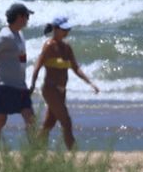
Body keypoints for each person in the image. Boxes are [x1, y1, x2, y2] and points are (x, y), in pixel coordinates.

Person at [29, 15, 100, 150]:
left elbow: (75, 67)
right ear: (55, 29)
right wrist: (32, 84)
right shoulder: (49, 46)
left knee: (49, 123)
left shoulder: (66, 47)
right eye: (63, 29)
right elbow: (38, 65)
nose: (67, 32)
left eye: (67, 29)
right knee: (66, 122)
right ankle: (74, 152)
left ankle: (35, 150)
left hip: (62, 91)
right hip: (50, 89)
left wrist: (90, 83)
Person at [0, 2, 36, 149]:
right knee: (1, 120)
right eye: (26, 16)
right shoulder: (5, 36)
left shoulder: (19, 34)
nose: (28, 20)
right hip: (4, 85)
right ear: (19, 17)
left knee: (30, 118)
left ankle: (35, 152)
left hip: (19, 85)